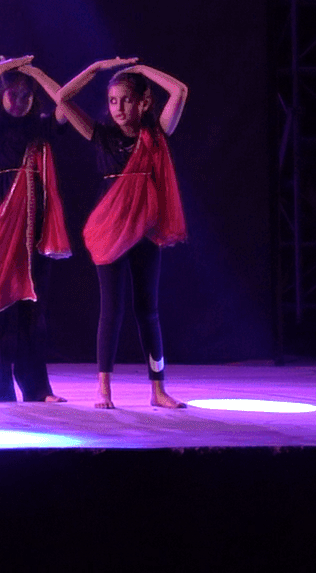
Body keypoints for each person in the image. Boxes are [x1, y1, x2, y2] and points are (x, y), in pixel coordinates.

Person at [57, 58, 190, 410]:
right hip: (110, 230)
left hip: (145, 229)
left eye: (126, 100)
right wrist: (96, 68)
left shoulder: (156, 134)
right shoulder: (101, 135)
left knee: (148, 310)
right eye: (113, 100)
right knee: (111, 310)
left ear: (143, 102)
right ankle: (103, 389)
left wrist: (143, 71)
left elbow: (180, 91)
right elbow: (62, 98)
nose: (118, 108)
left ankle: (158, 390)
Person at [0, 55, 78, 403]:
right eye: (12, 94)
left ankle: (37, 387)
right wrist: (1, 69)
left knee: (33, 307)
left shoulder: (42, 128)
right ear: (0, 95)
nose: (18, 101)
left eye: (25, 95)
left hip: (36, 225)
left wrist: (36, 73)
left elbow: (65, 102)